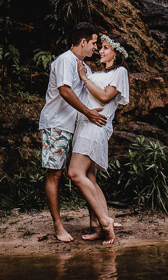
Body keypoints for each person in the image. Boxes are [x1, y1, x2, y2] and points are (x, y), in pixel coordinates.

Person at [38, 23, 108, 242]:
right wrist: (88, 112)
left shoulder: (83, 67)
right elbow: (65, 91)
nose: (96, 48)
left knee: (88, 173)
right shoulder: (65, 60)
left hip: (77, 125)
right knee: (55, 173)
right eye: (95, 43)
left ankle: (96, 223)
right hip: (57, 124)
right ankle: (58, 226)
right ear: (83, 41)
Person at [68, 33, 131, 245]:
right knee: (90, 178)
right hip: (84, 125)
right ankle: (101, 227)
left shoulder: (120, 72)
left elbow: (105, 97)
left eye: (105, 48)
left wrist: (85, 78)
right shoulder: (100, 73)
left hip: (95, 127)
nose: (100, 51)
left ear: (116, 53)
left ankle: (105, 221)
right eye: (100, 47)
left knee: (75, 173)